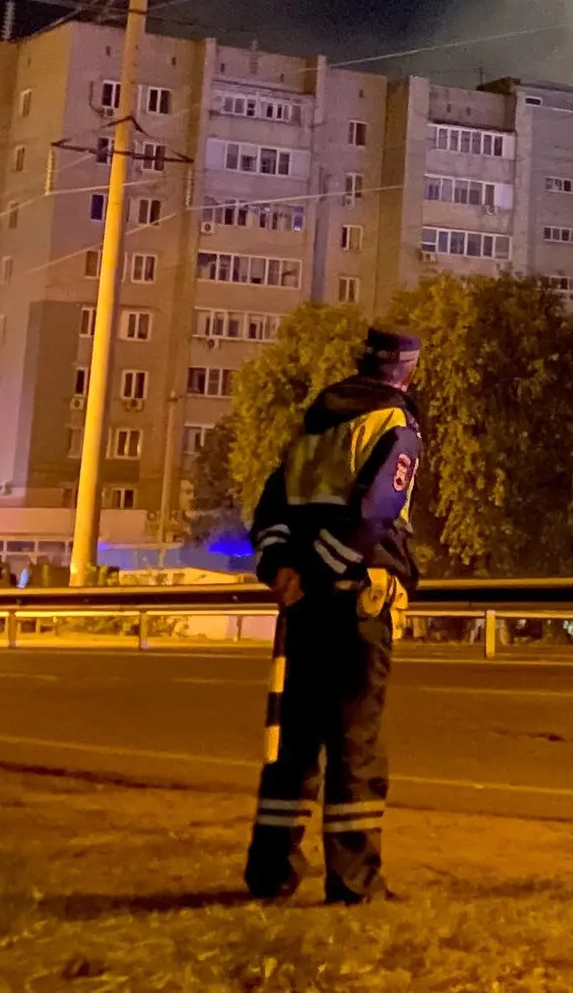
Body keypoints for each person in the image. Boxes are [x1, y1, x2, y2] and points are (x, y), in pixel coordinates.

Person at [243, 326, 423, 904]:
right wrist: (323, 573)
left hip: (303, 601)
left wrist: (281, 569)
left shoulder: (313, 420)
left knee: (292, 740)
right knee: (355, 741)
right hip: (357, 598)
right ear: (407, 370)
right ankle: (354, 880)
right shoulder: (394, 423)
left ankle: (271, 873)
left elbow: (271, 504)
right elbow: (377, 509)